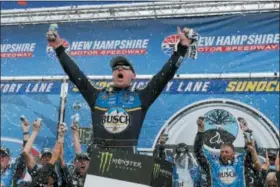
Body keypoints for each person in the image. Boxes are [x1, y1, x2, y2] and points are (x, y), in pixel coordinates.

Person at [47, 26, 199, 153]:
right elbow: (76, 75)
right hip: (99, 160)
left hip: (128, 163)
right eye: (115, 68)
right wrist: (59, 49)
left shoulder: (141, 97)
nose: (119, 68)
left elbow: (165, 75)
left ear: (133, 75)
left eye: (125, 67)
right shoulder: (97, 96)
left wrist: (182, 48)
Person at [193, 116, 261, 187]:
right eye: (222, 152)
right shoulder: (212, 163)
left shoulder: (241, 161)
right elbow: (198, 151)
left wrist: (246, 131)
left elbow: (252, 150)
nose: (223, 154)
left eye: (226, 152)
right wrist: (200, 131)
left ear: (233, 153)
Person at [1, 117, 29, 187]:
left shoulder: (13, 171)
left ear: (9, 159)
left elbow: (25, 154)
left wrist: (26, 132)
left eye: (3, 155)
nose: (1, 157)